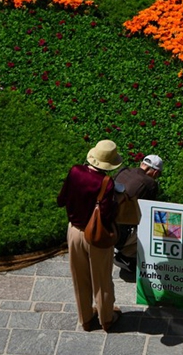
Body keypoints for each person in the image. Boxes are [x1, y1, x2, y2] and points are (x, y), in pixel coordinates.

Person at [57, 139, 124, 332]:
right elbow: (105, 214)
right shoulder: (106, 183)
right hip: (96, 236)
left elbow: (61, 199)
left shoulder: (75, 171)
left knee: (80, 277)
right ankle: (107, 318)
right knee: (102, 279)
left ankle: (85, 319)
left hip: (74, 232)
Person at [113, 154, 163, 273]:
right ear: (155, 173)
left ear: (142, 164)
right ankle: (126, 255)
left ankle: (121, 249)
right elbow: (149, 211)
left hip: (104, 223)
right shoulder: (150, 184)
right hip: (120, 234)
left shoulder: (123, 170)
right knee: (154, 228)